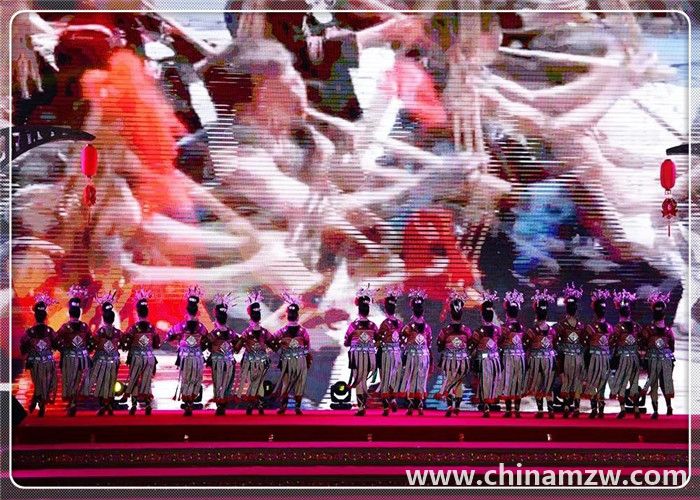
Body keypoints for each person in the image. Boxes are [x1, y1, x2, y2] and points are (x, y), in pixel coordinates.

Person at [167, 285, 209, 416]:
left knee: (186, 379)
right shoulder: (201, 327)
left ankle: (187, 402)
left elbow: (168, 336)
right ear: (197, 311)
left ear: (187, 309)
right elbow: (207, 340)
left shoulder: (180, 326)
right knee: (196, 379)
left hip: (185, 357)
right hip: (197, 358)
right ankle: (191, 400)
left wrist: (179, 343)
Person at [120, 289, 160, 416]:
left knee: (135, 379)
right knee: (147, 380)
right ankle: (147, 404)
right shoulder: (152, 328)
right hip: (149, 358)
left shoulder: (133, 328)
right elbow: (157, 344)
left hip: (136, 358)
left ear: (137, 312)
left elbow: (125, 343)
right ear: (147, 312)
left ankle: (133, 404)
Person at [55, 284, 92, 417]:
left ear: (70, 313)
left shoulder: (65, 327)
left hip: (68, 358)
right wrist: (86, 351)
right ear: (79, 313)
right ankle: (74, 401)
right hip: (82, 358)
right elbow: (91, 341)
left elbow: (55, 339)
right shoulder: (85, 327)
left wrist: (63, 349)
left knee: (69, 380)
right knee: (78, 379)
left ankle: (72, 401)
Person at [19, 292, 58, 417]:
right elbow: (57, 343)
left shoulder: (29, 332)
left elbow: (23, 345)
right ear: (45, 316)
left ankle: (36, 401)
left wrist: (27, 355)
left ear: (35, 316)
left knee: (38, 384)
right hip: (47, 362)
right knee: (45, 384)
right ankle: (40, 404)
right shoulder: (49, 331)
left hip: (34, 362)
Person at [236, 290, 275, 415]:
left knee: (253, 382)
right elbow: (274, 344)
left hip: (252, 361)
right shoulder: (262, 332)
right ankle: (258, 403)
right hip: (260, 360)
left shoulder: (247, 332)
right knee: (259, 382)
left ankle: (252, 403)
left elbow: (237, 347)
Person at [273, 292, 312, 415]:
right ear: (297, 316)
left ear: (287, 315)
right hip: (300, 360)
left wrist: (280, 348)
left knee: (286, 383)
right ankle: (297, 407)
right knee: (299, 383)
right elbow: (307, 347)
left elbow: (272, 342)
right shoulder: (303, 331)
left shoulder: (281, 331)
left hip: (286, 360)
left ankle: (283, 407)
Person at [344, 285, 379, 416]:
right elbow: (378, 340)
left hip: (357, 356)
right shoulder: (373, 326)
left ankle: (361, 407)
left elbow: (346, 342)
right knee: (364, 379)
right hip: (370, 356)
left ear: (358, 309)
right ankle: (362, 404)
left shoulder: (353, 326)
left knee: (359, 380)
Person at [435, 289, 470, 417]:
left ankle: (450, 405)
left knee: (448, 379)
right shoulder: (467, 331)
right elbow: (470, 345)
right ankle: (458, 406)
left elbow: (439, 346)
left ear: (451, 312)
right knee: (458, 382)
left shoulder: (445, 331)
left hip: (448, 360)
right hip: (462, 361)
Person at [641, 290, 675, 419]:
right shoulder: (668, 331)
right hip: (665, 358)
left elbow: (644, 345)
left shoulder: (648, 330)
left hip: (654, 358)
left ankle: (657, 410)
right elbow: (672, 347)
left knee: (655, 383)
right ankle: (668, 407)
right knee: (665, 383)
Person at [553, 282, 585, 418]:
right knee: (577, 381)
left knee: (566, 380)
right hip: (578, 357)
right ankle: (576, 407)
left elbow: (556, 343)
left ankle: (566, 406)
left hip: (566, 357)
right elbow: (583, 343)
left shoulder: (561, 325)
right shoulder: (581, 326)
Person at [609, 289, 642, 419]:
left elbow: (612, 342)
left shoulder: (617, 328)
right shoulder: (636, 326)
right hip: (634, 358)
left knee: (622, 383)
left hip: (623, 358)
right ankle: (636, 409)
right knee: (634, 383)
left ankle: (623, 409)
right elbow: (641, 341)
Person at [524, 289, 557, 419]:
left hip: (536, 360)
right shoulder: (552, 331)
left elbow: (526, 345)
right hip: (550, 360)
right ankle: (550, 409)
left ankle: (540, 410)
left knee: (538, 383)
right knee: (548, 384)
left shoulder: (531, 331)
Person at [398, 289, 432, 416]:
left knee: (411, 378)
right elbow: (429, 343)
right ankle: (421, 403)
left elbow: (402, 341)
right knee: (422, 378)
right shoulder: (427, 327)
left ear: (413, 310)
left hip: (412, 356)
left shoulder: (408, 327)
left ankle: (411, 404)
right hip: (424, 356)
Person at [89, 290, 122, 416]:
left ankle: (104, 404)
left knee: (101, 381)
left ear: (103, 317)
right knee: (111, 381)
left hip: (101, 361)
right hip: (114, 360)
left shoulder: (99, 332)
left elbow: (92, 343)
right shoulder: (118, 333)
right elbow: (124, 341)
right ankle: (108, 403)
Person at [469, 291, 502, 418]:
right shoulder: (497, 330)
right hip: (495, 360)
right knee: (493, 381)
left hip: (483, 361)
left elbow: (472, 347)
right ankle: (491, 401)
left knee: (484, 381)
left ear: (482, 315)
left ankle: (486, 404)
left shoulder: (478, 331)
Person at [583, 289, 613, 419]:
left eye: (603, 309)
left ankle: (599, 408)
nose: (602, 311)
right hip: (596, 357)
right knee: (595, 382)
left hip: (601, 358)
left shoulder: (608, 328)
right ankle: (596, 407)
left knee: (600, 383)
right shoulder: (591, 328)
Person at [207, 293, 238, 416]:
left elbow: (205, 344)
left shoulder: (214, 333)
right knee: (226, 383)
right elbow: (237, 346)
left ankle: (219, 403)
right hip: (229, 362)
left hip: (217, 362)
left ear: (216, 317)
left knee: (218, 382)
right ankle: (222, 403)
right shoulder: (231, 333)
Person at [375, 286, 404, 416]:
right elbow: (402, 340)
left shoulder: (384, 324)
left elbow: (378, 340)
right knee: (393, 377)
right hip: (397, 353)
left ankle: (386, 405)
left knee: (384, 378)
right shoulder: (400, 324)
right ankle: (393, 399)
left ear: (386, 309)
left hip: (386, 353)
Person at [499, 289, 526, 418]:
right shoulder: (522, 327)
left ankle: (509, 410)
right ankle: (517, 409)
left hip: (508, 357)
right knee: (518, 380)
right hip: (520, 357)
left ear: (507, 312)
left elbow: (499, 342)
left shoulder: (504, 327)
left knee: (508, 381)